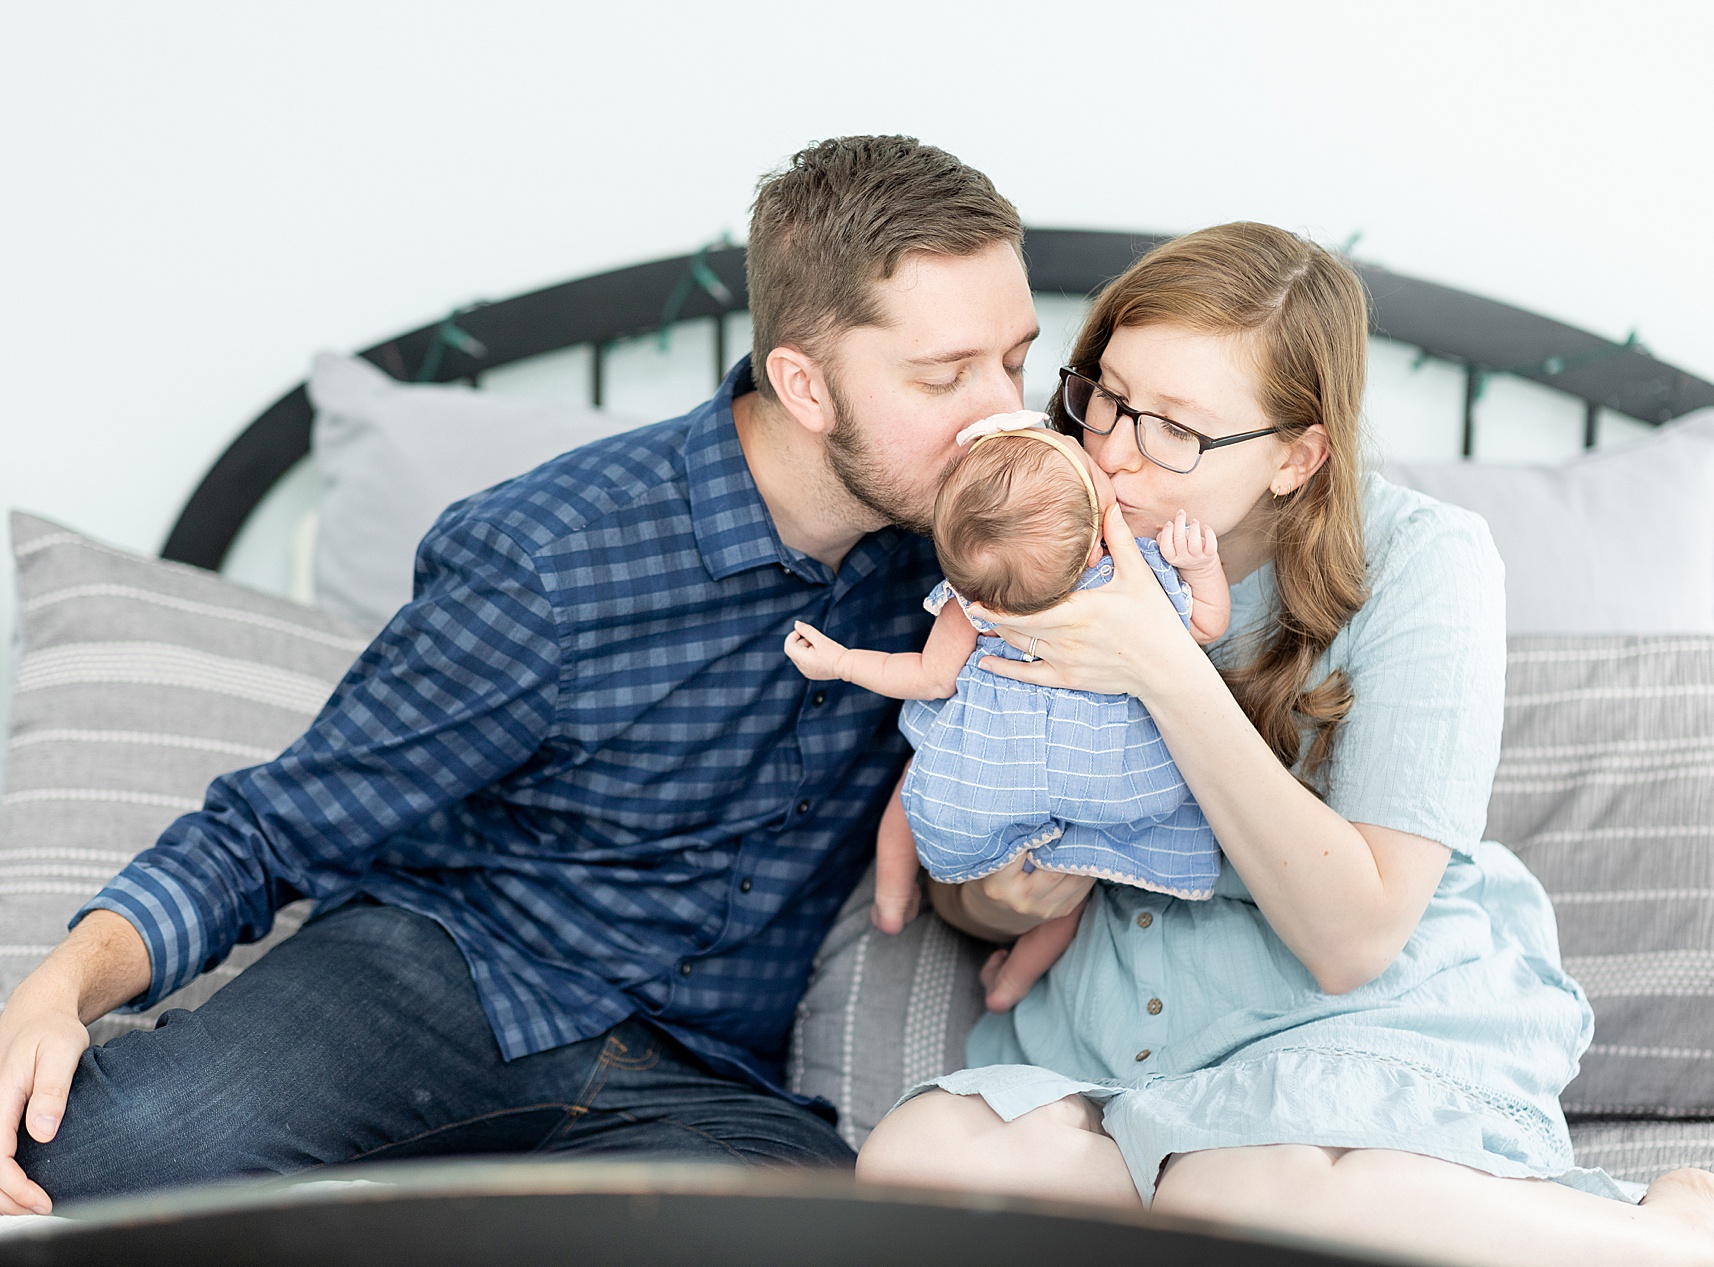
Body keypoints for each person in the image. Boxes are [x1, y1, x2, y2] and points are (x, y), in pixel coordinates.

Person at [0, 135, 1040, 1214]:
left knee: (825, 1239)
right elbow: (275, 826)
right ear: (803, 385)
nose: (1003, 412)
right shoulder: (549, 558)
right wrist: (56, 986)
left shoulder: (991, 547)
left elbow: (1043, 800)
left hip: (697, 1079)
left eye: (1016, 359)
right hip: (444, 974)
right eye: (943, 374)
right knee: (83, 1168)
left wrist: (1012, 887)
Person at [855, 222, 1714, 1267]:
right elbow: (967, 853)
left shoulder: (1422, 561)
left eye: (1175, 428)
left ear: (1296, 455)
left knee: (1243, 1187)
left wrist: (1162, 670)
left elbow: (1351, 936)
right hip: (1117, 1019)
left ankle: (1692, 1234)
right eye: (1105, 395)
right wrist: (1004, 893)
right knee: (918, 1164)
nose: (1113, 452)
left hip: (1342, 1006)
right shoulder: (1028, 523)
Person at [785, 411, 1228, 1010]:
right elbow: (1203, 626)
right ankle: (1009, 986)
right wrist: (1200, 567)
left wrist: (840, 663)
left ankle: (890, 899)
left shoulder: (973, 605)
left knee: (914, 792)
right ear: (1100, 537)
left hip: (984, 766)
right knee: (1072, 889)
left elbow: (928, 678)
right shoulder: (1131, 579)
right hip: (1095, 775)